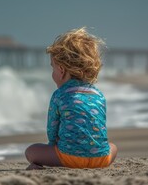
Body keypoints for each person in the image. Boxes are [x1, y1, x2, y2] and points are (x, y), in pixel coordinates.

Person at [25, 27, 117, 170]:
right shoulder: (99, 95)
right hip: (101, 159)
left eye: (52, 68)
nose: (52, 72)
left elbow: (52, 130)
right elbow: (99, 127)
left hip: (69, 158)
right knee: (113, 147)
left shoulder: (59, 95)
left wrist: (52, 148)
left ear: (61, 70)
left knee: (31, 151)